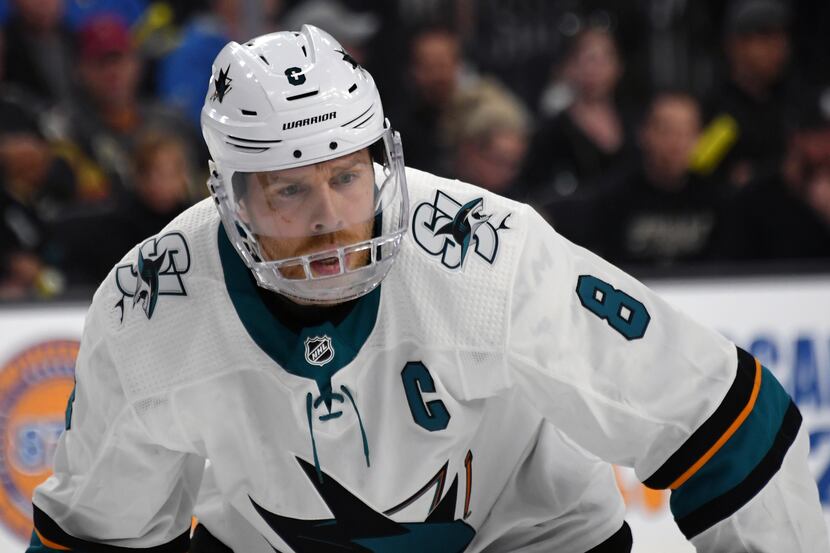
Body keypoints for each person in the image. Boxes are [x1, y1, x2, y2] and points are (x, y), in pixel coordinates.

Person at [27, 25, 828, 553]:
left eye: (346, 176)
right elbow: (100, 534)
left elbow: (722, 416)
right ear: (230, 197)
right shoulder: (150, 308)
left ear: (383, 160)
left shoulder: (486, 254)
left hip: (529, 535)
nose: (332, 219)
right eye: (290, 191)